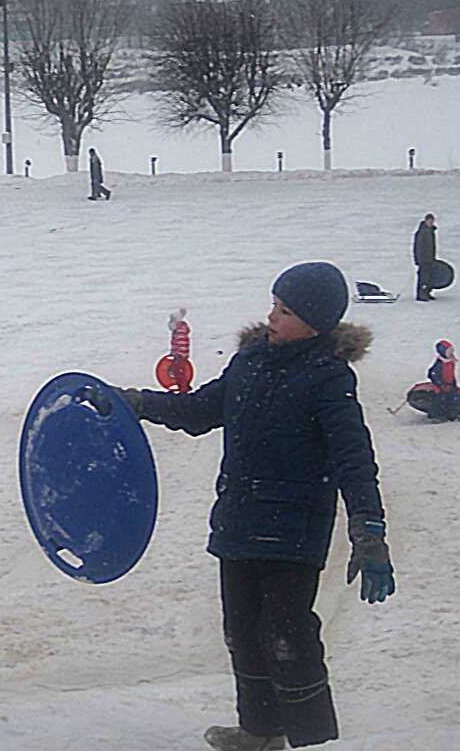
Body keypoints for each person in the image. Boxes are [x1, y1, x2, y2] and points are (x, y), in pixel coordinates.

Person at [115, 262, 395, 751]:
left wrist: (368, 528)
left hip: (293, 532)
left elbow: (354, 459)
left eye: (285, 311)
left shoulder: (328, 379)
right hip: (240, 522)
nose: (272, 317)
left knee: (286, 636)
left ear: (317, 324)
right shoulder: (248, 363)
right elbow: (199, 411)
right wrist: (136, 402)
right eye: (273, 305)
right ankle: (260, 732)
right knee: (241, 631)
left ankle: (306, 738)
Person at [426, 339, 460, 421]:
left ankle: (452, 415)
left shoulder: (451, 362)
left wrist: (453, 383)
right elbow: (432, 374)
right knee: (439, 400)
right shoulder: (439, 364)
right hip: (440, 386)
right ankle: (435, 415)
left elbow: (451, 374)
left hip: (450, 385)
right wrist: (440, 384)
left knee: (453, 399)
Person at [412, 213, 437, 301]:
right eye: (430, 221)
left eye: (432, 221)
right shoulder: (422, 232)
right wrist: (418, 260)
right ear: (426, 221)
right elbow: (418, 247)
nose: (431, 223)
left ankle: (427, 292)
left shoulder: (430, 231)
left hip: (430, 259)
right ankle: (421, 294)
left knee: (429, 277)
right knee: (423, 278)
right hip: (423, 259)